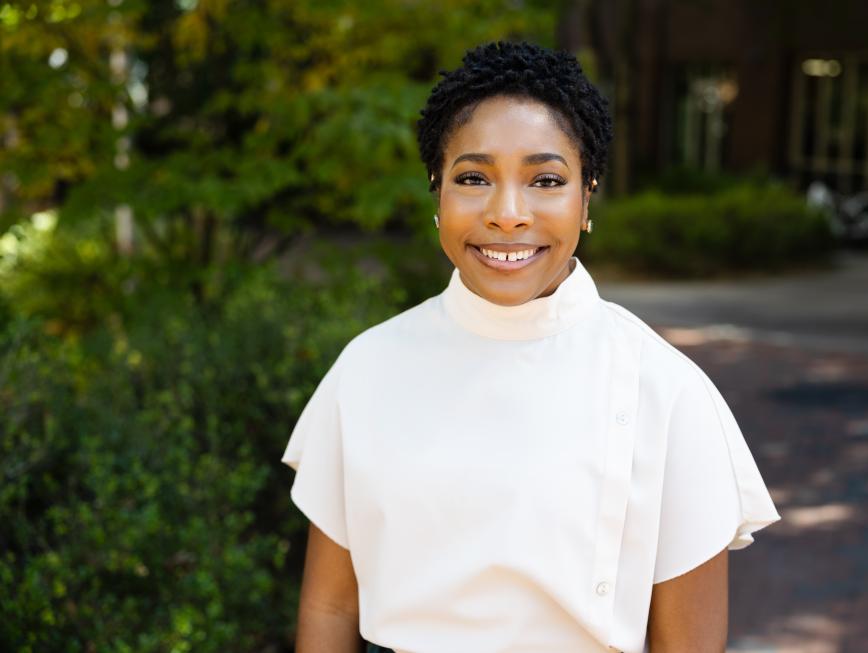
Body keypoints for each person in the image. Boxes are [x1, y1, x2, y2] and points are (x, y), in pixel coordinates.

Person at [281, 40, 781, 653]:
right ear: (436, 193)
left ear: (587, 196)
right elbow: (331, 607)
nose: (508, 213)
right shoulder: (367, 368)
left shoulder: (666, 391)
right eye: (473, 178)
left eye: (546, 179)